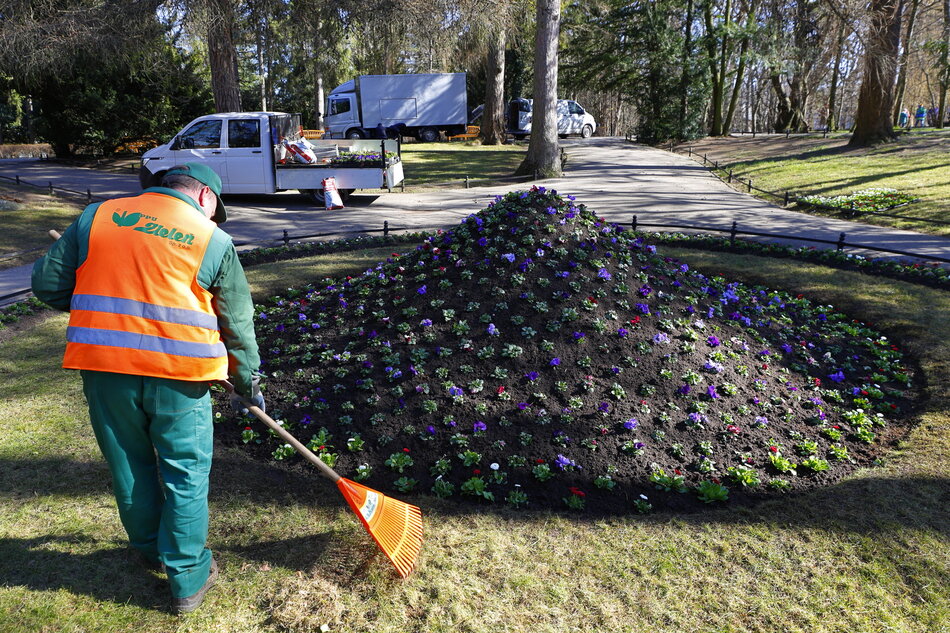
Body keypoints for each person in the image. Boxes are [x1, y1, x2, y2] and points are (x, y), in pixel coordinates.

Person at [31, 162, 262, 614]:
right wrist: (246, 382)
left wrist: (89, 302)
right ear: (205, 198)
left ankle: (149, 548)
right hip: (180, 378)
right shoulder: (212, 239)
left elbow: (46, 285)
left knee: (129, 464)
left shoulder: (97, 216)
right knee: (185, 474)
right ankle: (188, 578)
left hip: (105, 370)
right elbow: (236, 323)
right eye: (215, 211)